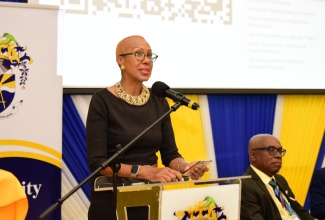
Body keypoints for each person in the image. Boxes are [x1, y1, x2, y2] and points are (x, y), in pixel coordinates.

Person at [86, 35, 209, 220]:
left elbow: (170, 154)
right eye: (138, 54)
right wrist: (145, 171)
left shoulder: (159, 101)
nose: (146, 60)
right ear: (121, 60)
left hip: (151, 199)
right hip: (111, 201)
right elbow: (98, 163)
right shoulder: (102, 101)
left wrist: (185, 167)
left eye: (150, 55)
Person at [240, 133, 314, 220]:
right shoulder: (244, 186)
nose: (278, 155)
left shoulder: (280, 179)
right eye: (272, 150)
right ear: (253, 155)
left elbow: (298, 210)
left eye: (280, 151)